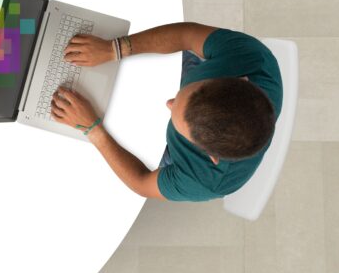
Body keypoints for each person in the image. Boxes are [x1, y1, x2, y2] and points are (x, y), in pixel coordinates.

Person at [50, 23, 282, 202]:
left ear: (210, 155)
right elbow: (186, 35)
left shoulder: (205, 180)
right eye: (182, 95)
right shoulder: (252, 58)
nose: (168, 103)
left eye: (175, 113)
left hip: (172, 156)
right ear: (236, 78)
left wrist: (93, 129)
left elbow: (142, 183)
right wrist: (114, 48)